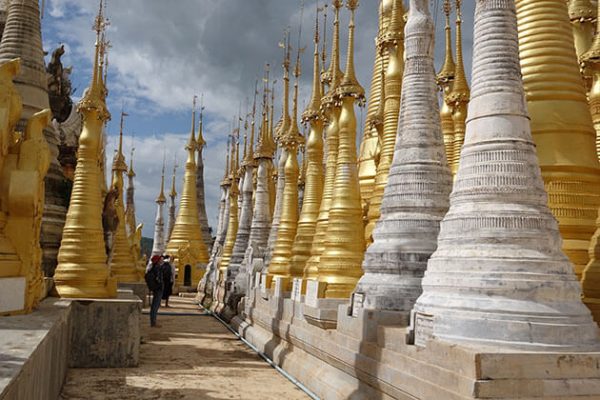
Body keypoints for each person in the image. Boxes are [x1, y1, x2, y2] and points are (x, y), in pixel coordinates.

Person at [145, 255, 164, 327]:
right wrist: (160, 285)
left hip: (156, 288)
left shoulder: (154, 268)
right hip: (158, 289)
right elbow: (159, 279)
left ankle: (153, 321)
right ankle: (153, 322)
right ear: (158, 261)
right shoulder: (157, 268)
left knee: (155, 305)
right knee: (155, 306)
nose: (162, 260)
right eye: (160, 259)